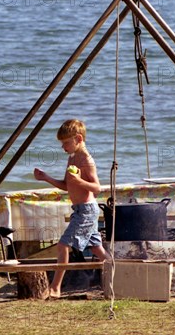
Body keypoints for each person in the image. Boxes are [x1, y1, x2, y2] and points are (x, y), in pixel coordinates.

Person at [33, 118, 110, 298]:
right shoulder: (72, 158)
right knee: (97, 249)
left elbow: (97, 188)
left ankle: (55, 287)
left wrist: (79, 180)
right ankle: (121, 275)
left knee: (62, 246)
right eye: (62, 143)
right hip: (79, 209)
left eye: (66, 143)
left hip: (87, 210)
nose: (63, 147)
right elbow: (67, 186)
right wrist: (46, 177)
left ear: (78, 139)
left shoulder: (86, 160)